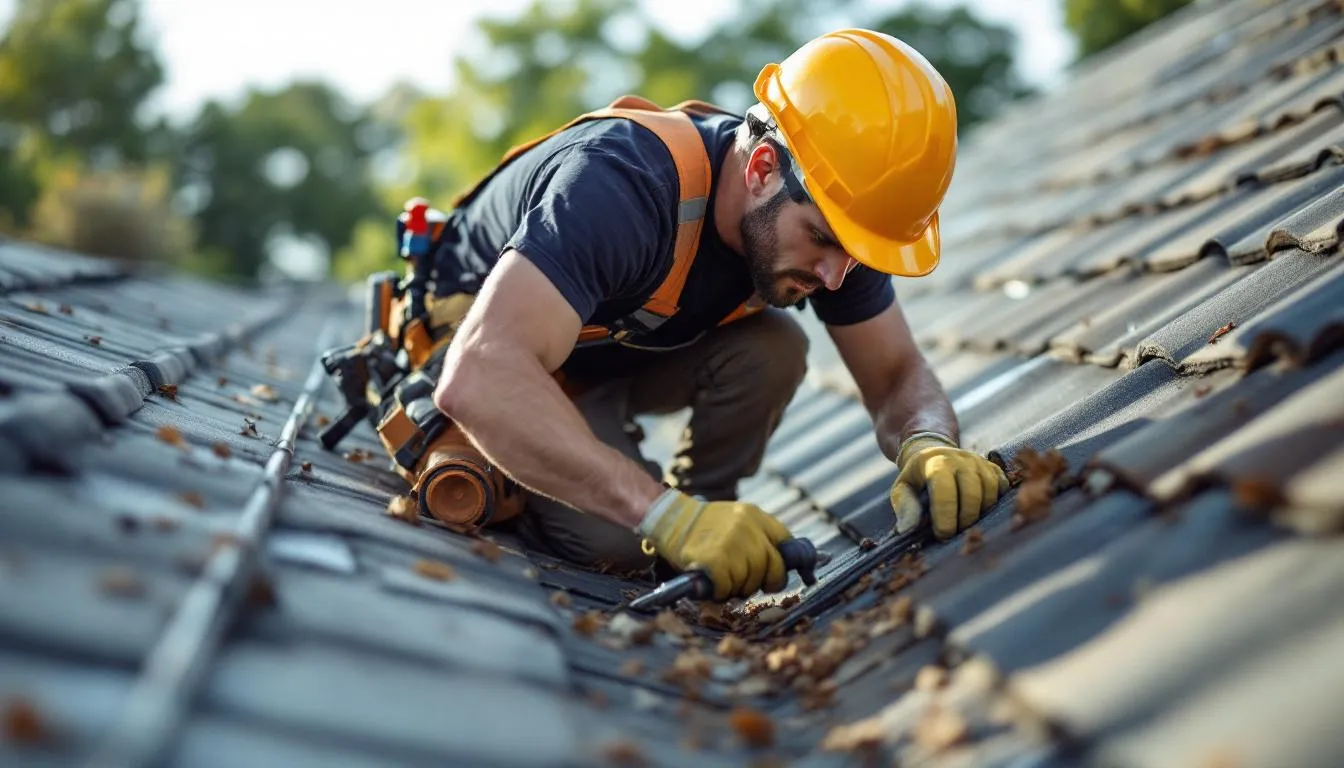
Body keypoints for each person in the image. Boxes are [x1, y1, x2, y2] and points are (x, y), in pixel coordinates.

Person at [432, 28, 1009, 601]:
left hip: (612, 356)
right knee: (622, 544)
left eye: (854, 256)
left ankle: (706, 526)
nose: (835, 277)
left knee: (773, 349)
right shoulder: (619, 186)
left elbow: (895, 374)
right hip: (506, 372)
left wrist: (929, 441)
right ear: (761, 168)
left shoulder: (838, 219)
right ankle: (664, 525)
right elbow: (480, 374)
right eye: (822, 241)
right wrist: (663, 518)